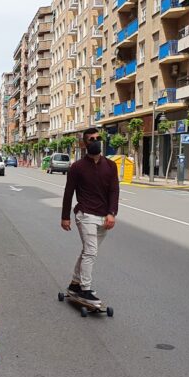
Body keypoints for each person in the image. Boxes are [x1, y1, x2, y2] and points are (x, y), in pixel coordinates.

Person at [61, 127, 119, 305]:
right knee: (91, 252)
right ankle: (85, 289)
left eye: (98, 138)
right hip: (85, 214)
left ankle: (75, 284)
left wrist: (112, 213)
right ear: (84, 143)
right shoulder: (77, 167)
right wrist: (65, 217)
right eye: (91, 139)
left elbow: (114, 191)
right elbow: (68, 193)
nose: (95, 141)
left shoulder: (111, 166)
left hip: (104, 216)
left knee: (88, 251)